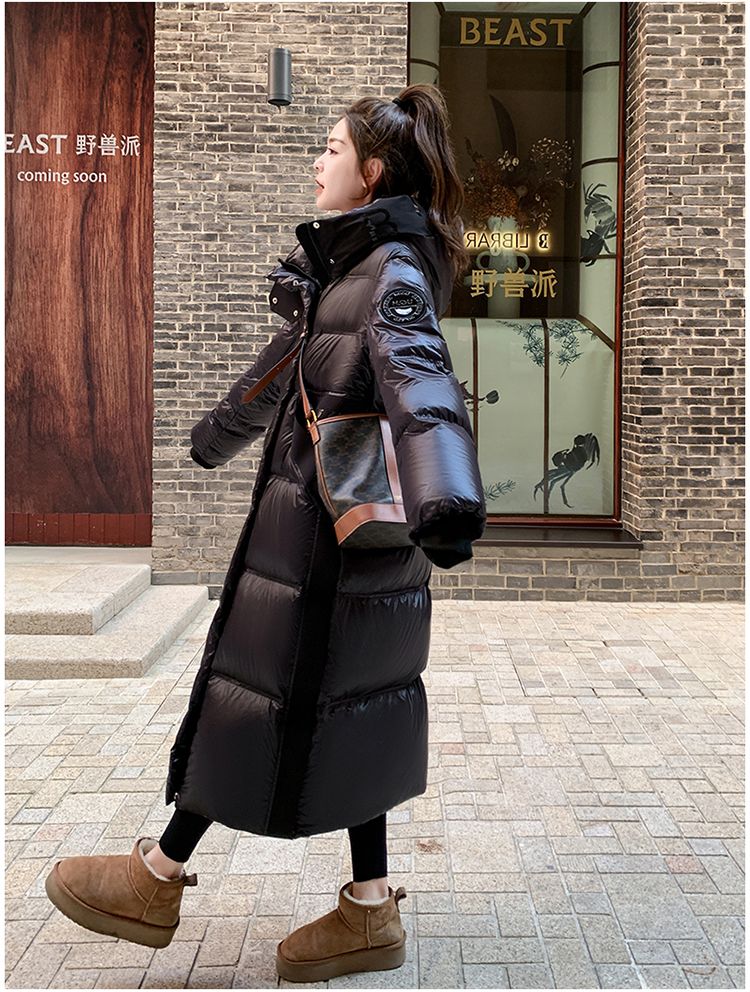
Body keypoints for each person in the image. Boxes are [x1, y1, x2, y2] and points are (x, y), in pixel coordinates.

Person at [44, 83, 486, 982]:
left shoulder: (388, 273)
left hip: (328, 552)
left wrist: (448, 503)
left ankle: (157, 874)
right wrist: (217, 435)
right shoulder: (355, 270)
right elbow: (285, 370)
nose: (317, 161)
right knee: (341, 707)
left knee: (260, 699)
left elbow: (425, 388)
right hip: (339, 547)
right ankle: (367, 910)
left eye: (332, 149)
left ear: (372, 173)